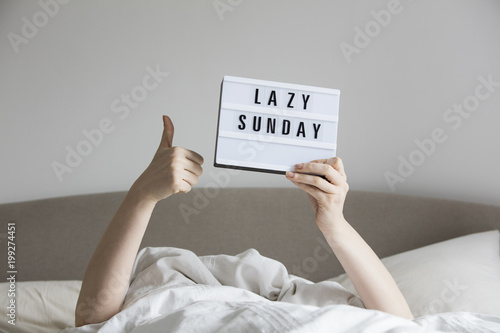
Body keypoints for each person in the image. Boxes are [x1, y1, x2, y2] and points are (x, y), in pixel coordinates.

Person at [74, 115, 413, 327]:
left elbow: (402, 325)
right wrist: (142, 196)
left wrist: (335, 223)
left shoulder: (299, 303)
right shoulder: (166, 289)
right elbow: (93, 319)